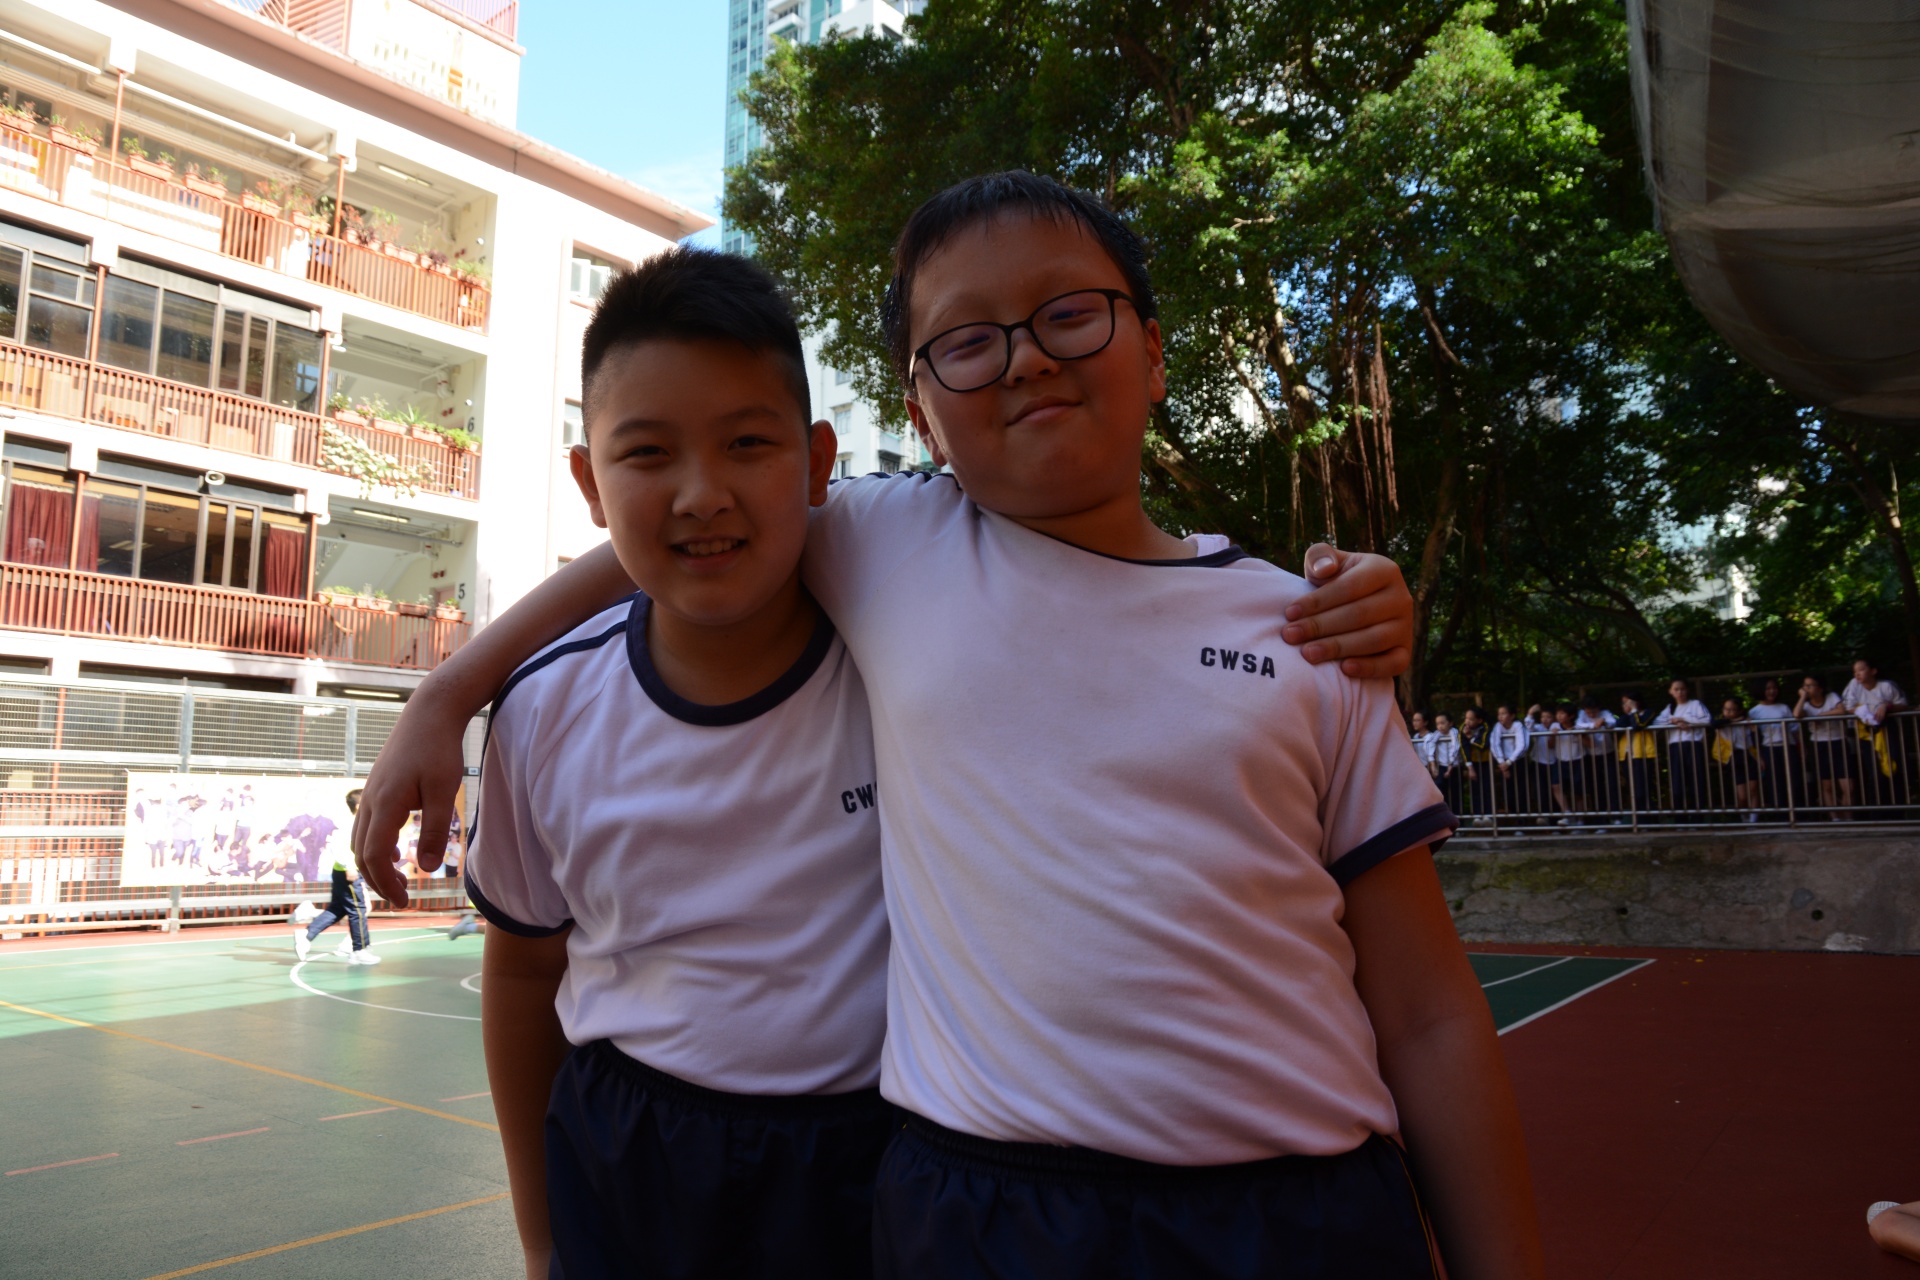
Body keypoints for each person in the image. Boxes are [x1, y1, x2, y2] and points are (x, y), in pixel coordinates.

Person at [358, 173, 1540, 1279]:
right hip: (980, 1210)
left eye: (1069, 313)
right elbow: (666, 531)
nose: (1026, 358)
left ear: (1154, 350)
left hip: (1298, 1213)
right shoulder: (890, 544)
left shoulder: (1314, 631)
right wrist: (447, 690)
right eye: (969, 341)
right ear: (920, 414)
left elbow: (1430, 1012)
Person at [468, 251, 900, 1280]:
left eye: (747, 442)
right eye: (648, 453)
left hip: (871, 1155)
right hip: (629, 1159)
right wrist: (539, 1236)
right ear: (589, 481)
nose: (702, 494)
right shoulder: (545, 710)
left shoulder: (909, 658)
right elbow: (523, 966)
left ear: (817, 460)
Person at [293, 789, 377, 966]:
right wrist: (349, 867)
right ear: (359, 805)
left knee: (338, 909)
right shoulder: (350, 823)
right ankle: (359, 950)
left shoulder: (360, 822)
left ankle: (307, 935)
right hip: (348, 872)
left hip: (345, 871)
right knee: (358, 910)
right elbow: (337, 846)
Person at [1841, 659, 1909, 809]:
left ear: (1873, 671)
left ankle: (1898, 809)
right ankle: (1877, 811)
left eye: (1861, 669)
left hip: (1887, 730)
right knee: (1874, 771)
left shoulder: (1887, 686)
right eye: (1855, 671)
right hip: (1866, 731)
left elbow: (1903, 704)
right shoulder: (1854, 685)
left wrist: (1887, 706)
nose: (1857, 674)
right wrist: (1862, 711)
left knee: (1894, 767)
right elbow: (1848, 706)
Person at [1795, 674, 1854, 818]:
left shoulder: (1832, 697)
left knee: (1848, 786)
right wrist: (1802, 697)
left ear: (1820, 688)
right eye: (1804, 686)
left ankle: (1848, 817)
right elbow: (1796, 714)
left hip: (1838, 742)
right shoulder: (1806, 705)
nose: (1806, 688)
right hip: (1818, 745)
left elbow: (1841, 710)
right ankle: (1835, 818)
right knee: (1826, 785)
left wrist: (1821, 715)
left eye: (1810, 686)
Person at [1655, 679, 1712, 818]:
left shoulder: (1695, 704)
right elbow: (1657, 722)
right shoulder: (1669, 708)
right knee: (1677, 784)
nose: (1680, 692)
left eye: (1682, 689)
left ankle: (1698, 818)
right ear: (1670, 691)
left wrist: (1685, 720)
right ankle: (1680, 819)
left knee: (1696, 781)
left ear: (1687, 690)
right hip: (1675, 746)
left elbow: (1707, 719)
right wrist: (1673, 722)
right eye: (1676, 689)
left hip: (1693, 744)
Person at [1746, 677, 1799, 816]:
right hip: (1769, 749)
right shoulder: (1754, 712)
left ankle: (1797, 814)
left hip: (1788, 747)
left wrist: (1801, 748)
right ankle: (1781, 816)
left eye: (1774, 688)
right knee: (1775, 783)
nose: (1772, 691)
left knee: (1794, 781)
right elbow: (1752, 737)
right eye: (1768, 688)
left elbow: (1794, 729)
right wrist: (1759, 757)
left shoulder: (1784, 707)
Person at [1616, 692, 1661, 823]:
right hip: (1627, 756)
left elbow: (1638, 725)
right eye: (1624, 703)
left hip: (1643, 755)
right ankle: (1640, 822)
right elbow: (1619, 724)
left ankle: (1652, 821)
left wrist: (1634, 711)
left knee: (1643, 790)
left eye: (1628, 702)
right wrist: (1630, 713)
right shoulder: (1626, 717)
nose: (1626, 705)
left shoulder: (1648, 712)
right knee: (1633, 791)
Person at [1714, 699, 1761, 822]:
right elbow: (1713, 724)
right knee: (1742, 796)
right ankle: (1744, 815)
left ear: (1739, 711)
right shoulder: (1722, 723)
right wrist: (1733, 721)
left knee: (1753, 788)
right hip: (1733, 757)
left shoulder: (1747, 722)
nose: (1729, 712)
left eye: (1732, 710)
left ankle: (1753, 819)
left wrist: (1752, 729)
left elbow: (1756, 740)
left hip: (1749, 755)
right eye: (1726, 709)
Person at [1574, 696, 1618, 820]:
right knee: (1596, 786)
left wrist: (1604, 722)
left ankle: (1616, 815)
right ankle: (1600, 817)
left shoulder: (1605, 713)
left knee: (1612, 784)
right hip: (1591, 755)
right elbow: (1578, 725)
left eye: (1594, 711)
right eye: (1589, 712)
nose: (1591, 714)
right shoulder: (1582, 714)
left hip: (1608, 753)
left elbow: (1613, 722)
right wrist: (1593, 725)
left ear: (1599, 708)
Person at [1489, 704, 1529, 819]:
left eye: (1504, 713)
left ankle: (1523, 819)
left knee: (1521, 790)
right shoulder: (1497, 726)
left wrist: (1509, 762)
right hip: (1504, 762)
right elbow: (1495, 744)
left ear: (1512, 716)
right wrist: (1502, 763)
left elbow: (1522, 745)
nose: (1500, 716)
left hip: (1518, 761)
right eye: (1499, 714)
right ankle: (1513, 816)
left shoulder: (1518, 725)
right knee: (1508, 791)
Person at [1526, 705, 1559, 820]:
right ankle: (1543, 815)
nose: (1545, 719)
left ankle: (1556, 817)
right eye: (1542, 717)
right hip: (1538, 762)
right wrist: (1530, 713)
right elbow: (1529, 728)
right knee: (1540, 790)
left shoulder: (1557, 727)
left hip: (1554, 762)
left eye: (1548, 717)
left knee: (1554, 791)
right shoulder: (1538, 727)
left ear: (1554, 718)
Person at [1460, 706, 1493, 820]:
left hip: (1486, 761)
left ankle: (1489, 815)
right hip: (1472, 762)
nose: (1467, 721)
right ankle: (1477, 815)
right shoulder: (1463, 728)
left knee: (1487, 788)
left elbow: (1483, 745)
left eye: (1471, 719)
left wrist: (1470, 737)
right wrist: (1470, 767)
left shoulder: (1486, 727)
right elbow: (1464, 748)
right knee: (1475, 789)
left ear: (1479, 720)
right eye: (1466, 718)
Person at [1429, 710, 1464, 816]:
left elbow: (1455, 748)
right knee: (1440, 788)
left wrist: (1450, 766)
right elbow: (1430, 745)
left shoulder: (1454, 732)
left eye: (1442, 723)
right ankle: (1444, 816)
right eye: (1437, 724)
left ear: (1450, 723)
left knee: (1455, 792)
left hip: (1454, 767)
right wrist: (1433, 765)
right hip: (1442, 766)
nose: (1440, 726)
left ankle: (1458, 818)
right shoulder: (1437, 734)